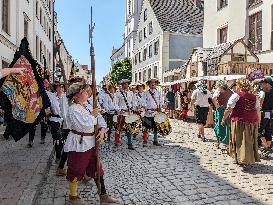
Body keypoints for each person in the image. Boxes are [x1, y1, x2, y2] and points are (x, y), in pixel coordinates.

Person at [64, 82, 119, 205]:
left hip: (91, 142)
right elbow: (84, 125)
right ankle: (73, 197)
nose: (87, 93)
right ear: (75, 96)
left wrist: (102, 130)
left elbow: (100, 119)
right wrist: (93, 115)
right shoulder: (73, 109)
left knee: (97, 169)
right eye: (84, 91)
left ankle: (103, 195)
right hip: (79, 144)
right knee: (76, 169)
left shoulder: (87, 106)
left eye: (87, 91)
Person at [222, 79, 260, 169]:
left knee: (240, 140)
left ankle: (243, 160)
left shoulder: (236, 96)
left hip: (239, 121)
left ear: (239, 86)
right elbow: (257, 110)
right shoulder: (255, 97)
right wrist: (258, 121)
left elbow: (229, 109)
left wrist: (223, 118)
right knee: (249, 141)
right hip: (252, 121)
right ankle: (245, 158)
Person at [114, 79, 136, 150]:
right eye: (123, 84)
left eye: (126, 84)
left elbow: (133, 102)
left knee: (129, 129)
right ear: (122, 85)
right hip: (121, 114)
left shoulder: (131, 93)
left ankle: (130, 143)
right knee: (119, 128)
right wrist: (119, 110)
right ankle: (117, 142)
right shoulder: (117, 94)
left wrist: (134, 108)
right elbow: (115, 104)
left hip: (129, 113)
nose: (125, 85)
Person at [142, 78, 164, 147]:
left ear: (156, 84)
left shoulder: (158, 93)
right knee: (146, 127)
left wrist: (161, 107)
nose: (153, 84)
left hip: (156, 113)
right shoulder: (146, 93)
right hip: (148, 112)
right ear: (148, 84)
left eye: (154, 83)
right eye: (151, 83)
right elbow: (143, 101)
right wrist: (145, 107)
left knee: (155, 127)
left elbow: (161, 101)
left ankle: (155, 140)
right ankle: (145, 140)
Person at [212, 80, 233, 151]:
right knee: (227, 126)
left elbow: (214, 98)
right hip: (229, 110)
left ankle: (219, 141)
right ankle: (227, 143)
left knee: (219, 126)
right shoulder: (230, 91)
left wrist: (217, 107)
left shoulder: (218, 90)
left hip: (221, 110)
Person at [47, 83, 64, 163]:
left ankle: (60, 155)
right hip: (54, 120)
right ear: (56, 88)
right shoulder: (51, 96)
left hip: (63, 121)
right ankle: (58, 156)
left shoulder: (65, 97)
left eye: (62, 87)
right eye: (59, 87)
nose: (61, 89)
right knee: (57, 138)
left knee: (62, 139)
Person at [258, 76, 273, 157]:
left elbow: (260, 103)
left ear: (267, 84)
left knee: (259, 130)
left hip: (263, 112)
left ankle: (266, 147)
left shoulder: (263, 92)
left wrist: (258, 110)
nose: (261, 85)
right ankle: (268, 148)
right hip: (270, 112)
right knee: (268, 130)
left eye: (263, 84)